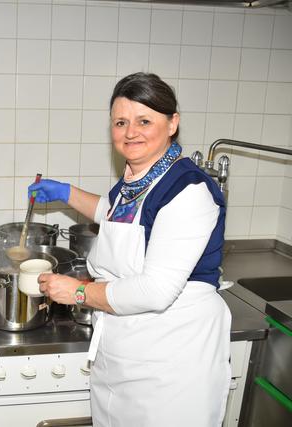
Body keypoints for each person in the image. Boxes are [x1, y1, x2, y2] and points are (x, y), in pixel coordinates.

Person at [30, 72, 230, 427]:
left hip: (172, 359)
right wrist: (66, 192)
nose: (130, 132)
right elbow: (114, 215)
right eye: (120, 122)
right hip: (126, 350)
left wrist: (78, 291)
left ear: (172, 124)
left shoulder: (188, 190)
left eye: (144, 121)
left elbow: (155, 290)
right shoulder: (140, 177)